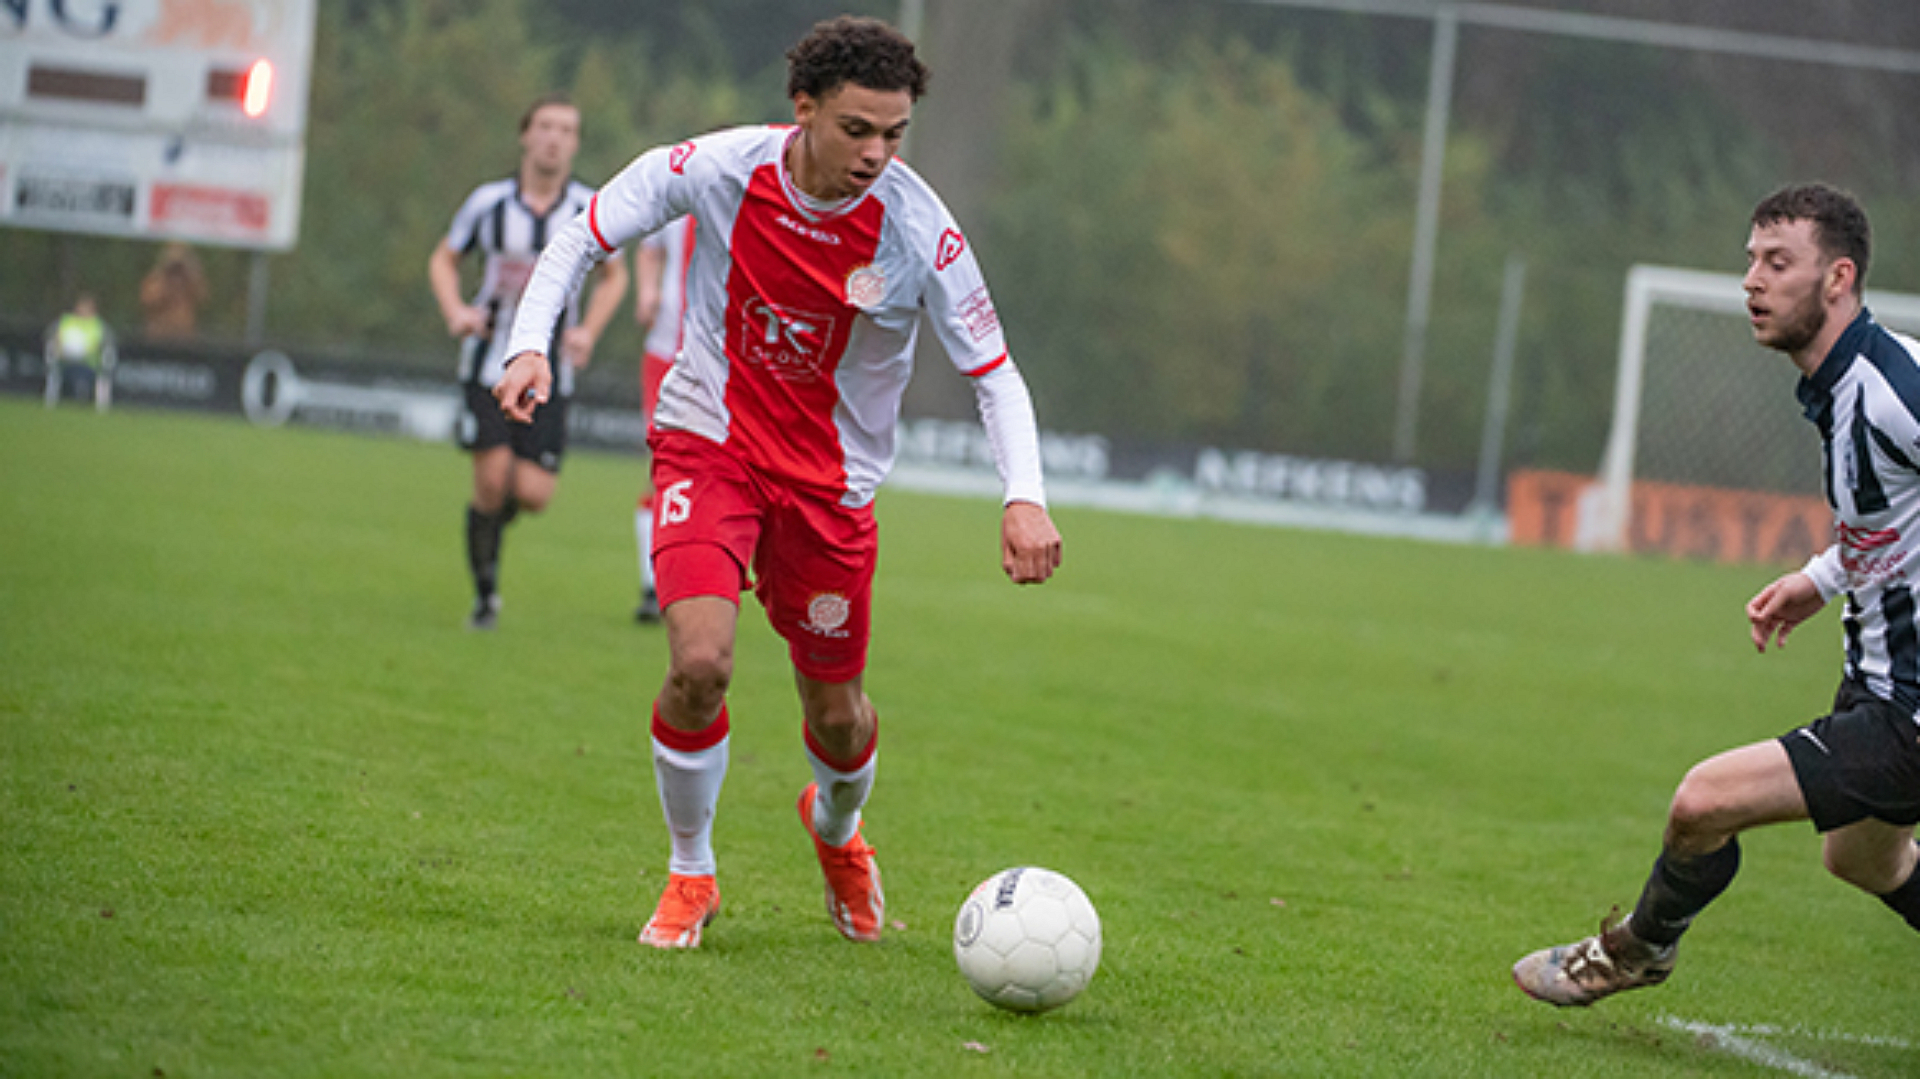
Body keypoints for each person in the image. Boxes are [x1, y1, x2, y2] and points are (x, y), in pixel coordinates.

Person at [496, 16, 1063, 949]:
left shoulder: (920, 228)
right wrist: (529, 345)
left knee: (837, 718)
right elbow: (580, 237)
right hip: (710, 444)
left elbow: (993, 373)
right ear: (803, 110)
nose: (877, 154)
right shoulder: (721, 168)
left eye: (894, 134)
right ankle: (691, 871)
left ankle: (837, 830)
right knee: (700, 663)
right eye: (856, 130)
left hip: (831, 490)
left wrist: (1025, 494)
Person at [1513, 183, 1920, 1007]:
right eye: (1750, 260)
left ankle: (1636, 949)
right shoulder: (1842, 388)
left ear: (1838, 277)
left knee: (1702, 801)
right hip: (1875, 682)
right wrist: (1820, 578)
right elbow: (1890, 519)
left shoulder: (1891, 386)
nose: (1752, 280)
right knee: (1861, 858)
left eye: (1778, 262)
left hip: (1907, 710)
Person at [428, 93, 629, 630]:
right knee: (492, 480)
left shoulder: (587, 207)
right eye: (544, 126)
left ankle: (488, 527)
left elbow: (615, 275)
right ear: (525, 135)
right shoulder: (489, 204)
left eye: (565, 129)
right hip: (488, 362)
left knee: (533, 494)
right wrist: (456, 311)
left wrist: (588, 330)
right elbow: (444, 259)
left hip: (551, 370)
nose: (553, 139)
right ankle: (485, 598)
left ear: (576, 143)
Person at [631, 215, 697, 624]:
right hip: (666, 355)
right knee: (664, 467)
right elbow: (650, 248)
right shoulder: (681, 190)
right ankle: (652, 586)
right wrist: (647, 291)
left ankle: (696, 582)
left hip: (726, 363)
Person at [43, 291, 116, 411]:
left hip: (90, 364)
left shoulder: (99, 326)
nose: (84, 310)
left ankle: (101, 406)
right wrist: (57, 348)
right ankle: (50, 403)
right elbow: (51, 336)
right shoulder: (65, 321)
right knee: (54, 369)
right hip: (65, 361)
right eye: (82, 306)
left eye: (88, 307)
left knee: (102, 374)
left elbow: (108, 345)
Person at [139, 242, 207, 339]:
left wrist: (190, 270)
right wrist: (164, 273)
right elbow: (148, 299)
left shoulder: (189, 282)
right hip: (159, 337)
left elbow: (203, 297)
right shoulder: (157, 280)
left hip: (184, 337)